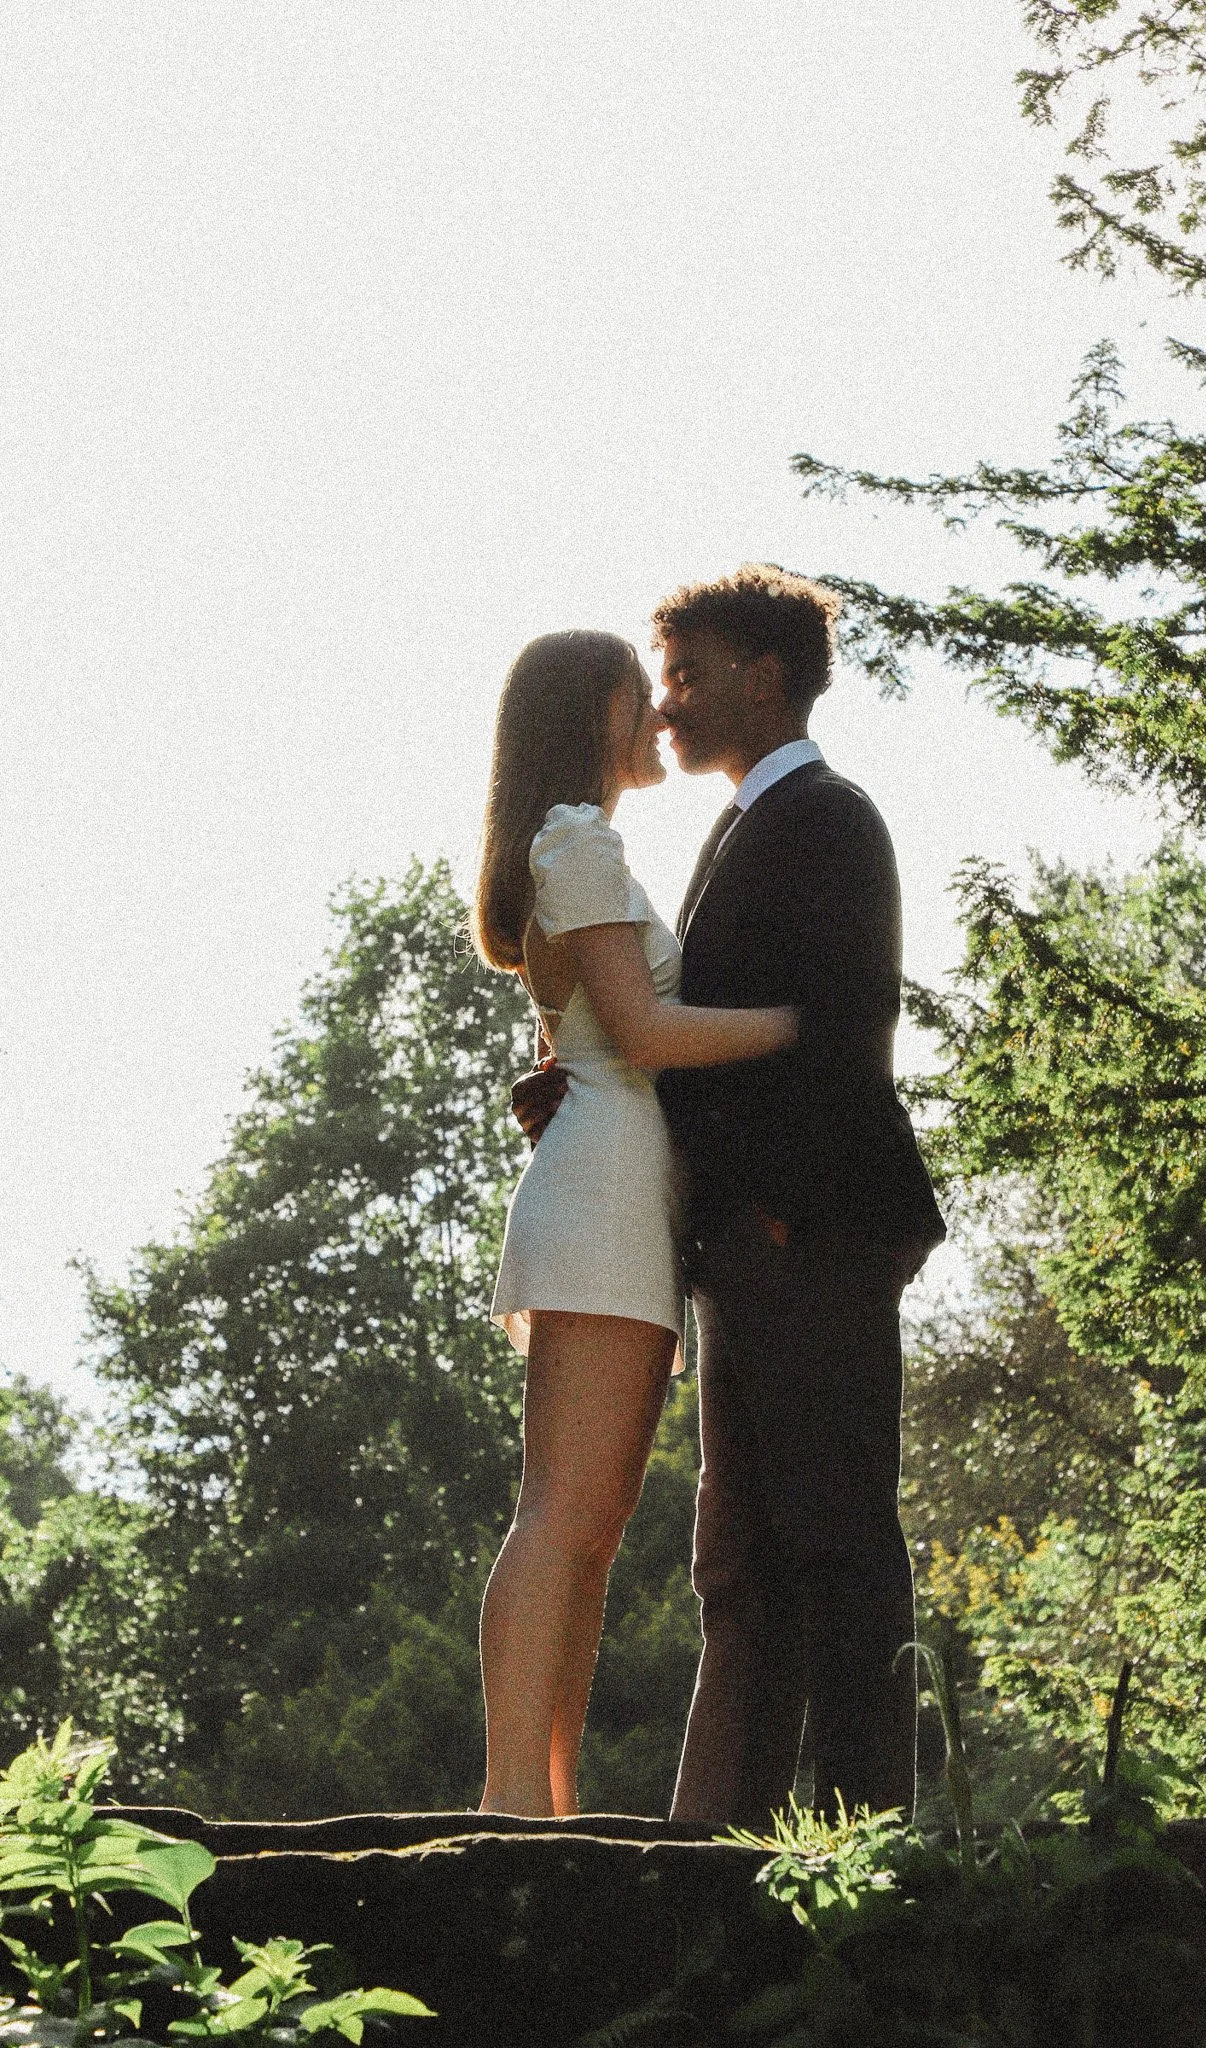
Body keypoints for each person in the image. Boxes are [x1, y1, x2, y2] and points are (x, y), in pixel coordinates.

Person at [516, 567, 945, 1827]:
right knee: (737, 1566)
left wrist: (770, 1212)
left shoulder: (830, 819)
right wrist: (598, 1091)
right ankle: (715, 1843)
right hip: (740, 1246)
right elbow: (691, 1036)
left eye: (691, 674)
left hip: (804, 1233)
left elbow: (842, 1036)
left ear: (768, 676)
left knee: (837, 1541)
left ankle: (873, 1833)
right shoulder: (736, 828)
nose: (667, 703)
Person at [472, 627, 799, 1819]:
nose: (658, 716)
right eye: (636, 696)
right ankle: (511, 1801)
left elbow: (593, 1031)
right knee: (563, 1508)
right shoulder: (576, 842)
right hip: (604, 1187)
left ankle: (545, 1797)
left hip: (618, 1187)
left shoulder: (577, 849)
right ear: (592, 715)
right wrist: (800, 1023)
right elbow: (645, 1035)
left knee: (592, 1520)